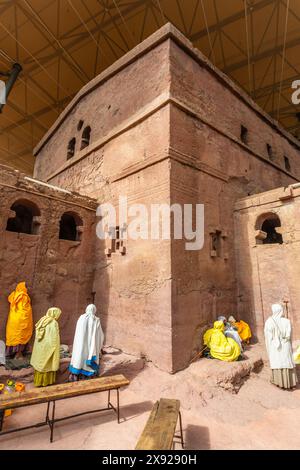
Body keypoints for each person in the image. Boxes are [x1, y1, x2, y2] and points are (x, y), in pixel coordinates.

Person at [264, 303, 298, 389]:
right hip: (286, 345)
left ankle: (279, 383)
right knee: (287, 362)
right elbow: (289, 335)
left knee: (277, 362)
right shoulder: (287, 321)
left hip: (276, 347)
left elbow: (268, 337)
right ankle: (290, 383)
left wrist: (270, 346)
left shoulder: (269, 321)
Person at [69, 304, 104, 381]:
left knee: (79, 358)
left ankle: (75, 376)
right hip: (90, 346)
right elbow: (99, 335)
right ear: (94, 310)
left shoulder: (81, 318)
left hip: (80, 344)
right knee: (87, 357)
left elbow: (77, 333)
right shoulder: (96, 320)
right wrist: (99, 345)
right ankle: (87, 378)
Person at [30, 307, 62, 387]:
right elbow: (54, 338)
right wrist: (55, 348)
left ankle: (38, 382)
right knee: (47, 365)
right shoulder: (54, 322)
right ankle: (45, 383)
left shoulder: (42, 320)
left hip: (40, 347)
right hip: (49, 347)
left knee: (40, 364)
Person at [6, 282, 33, 359]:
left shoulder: (13, 295)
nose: (27, 289)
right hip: (21, 320)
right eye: (26, 287)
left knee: (14, 336)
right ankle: (18, 354)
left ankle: (14, 354)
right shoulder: (23, 296)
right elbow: (24, 309)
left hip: (13, 320)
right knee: (20, 337)